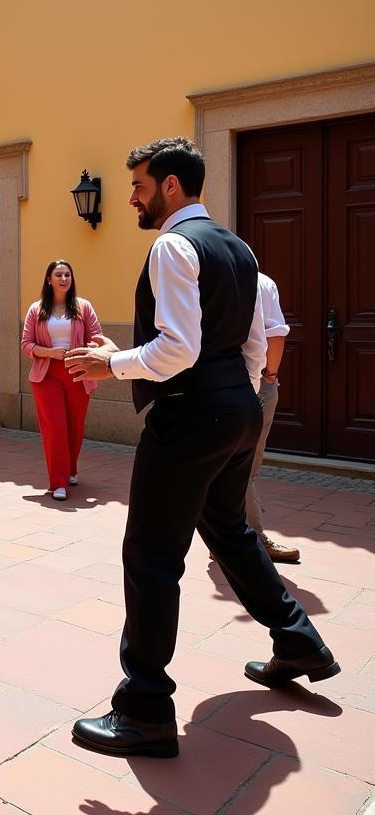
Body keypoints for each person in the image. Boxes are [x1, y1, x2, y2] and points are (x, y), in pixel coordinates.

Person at [64, 137, 337, 759]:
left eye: (138, 186)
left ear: (169, 187)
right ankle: (297, 640)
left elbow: (177, 348)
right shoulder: (238, 248)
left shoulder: (171, 245)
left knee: (152, 555)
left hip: (192, 414)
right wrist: (242, 405)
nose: (131, 196)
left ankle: (145, 708)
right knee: (230, 531)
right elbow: (251, 344)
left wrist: (112, 363)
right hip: (235, 409)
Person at [21, 259, 102, 501]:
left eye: (68, 274)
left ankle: (71, 468)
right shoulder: (37, 309)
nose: (64, 278)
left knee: (75, 426)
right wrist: (49, 352)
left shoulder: (83, 306)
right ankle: (58, 482)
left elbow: (97, 336)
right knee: (55, 427)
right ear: (49, 279)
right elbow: (26, 344)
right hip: (46, 375)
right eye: (59, 274)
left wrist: (89, 349)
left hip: (78, 372)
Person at [244, 272, 298, 563]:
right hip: (255, 381)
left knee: (225, 463)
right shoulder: (261, 282)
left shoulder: (211, 275)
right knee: (247, 466)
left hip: (216, 380)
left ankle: (224, 538)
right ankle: (252, 538)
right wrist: (271, 376)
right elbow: (275, 334)